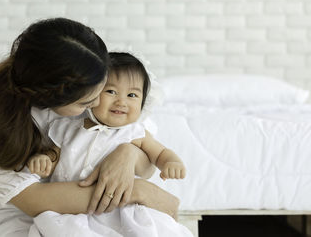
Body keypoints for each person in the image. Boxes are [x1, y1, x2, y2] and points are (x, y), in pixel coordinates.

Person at [0, 18, 184, 237]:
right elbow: (31, 199)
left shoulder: (83, 68)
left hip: (109, 206)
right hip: (36, 217)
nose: (99, 103)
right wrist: (138, 191)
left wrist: (126, 153)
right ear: (48, 99)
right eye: (86, 103)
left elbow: (141, 151)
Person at [27, 52, 192, 236]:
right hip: (70, 208)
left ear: (143, 102)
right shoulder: (68, 127)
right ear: (93, 94)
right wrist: (44, 160)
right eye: (111, 91)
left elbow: (160, 153)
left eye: (132, 95)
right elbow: (54, 154)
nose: (121, 101)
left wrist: (172, 163)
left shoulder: (134, 132)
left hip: (119, 211)